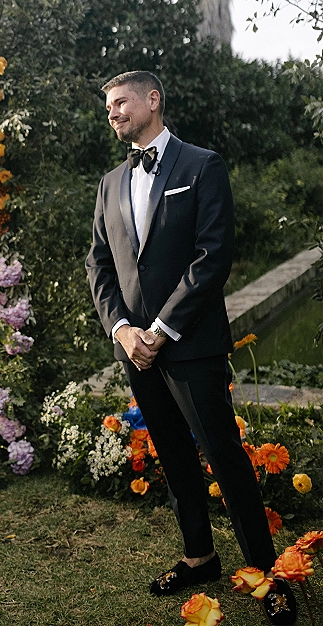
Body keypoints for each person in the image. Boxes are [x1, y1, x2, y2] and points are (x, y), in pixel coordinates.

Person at [86, 71, 296, 626]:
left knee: (224, 457)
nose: (113, 112)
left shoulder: (202, 165)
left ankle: (268, 573)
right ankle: (199, 557)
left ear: (154, 99)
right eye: (108, 106)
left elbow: (213, 256)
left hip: (190, 345)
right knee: (173, 456)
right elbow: (98, 265)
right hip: (135, 350)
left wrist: (160, 329)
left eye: (121, 102)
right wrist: (123, 331)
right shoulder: (109, 183)